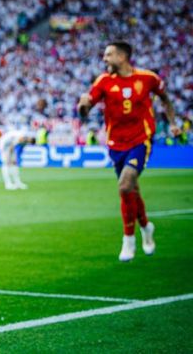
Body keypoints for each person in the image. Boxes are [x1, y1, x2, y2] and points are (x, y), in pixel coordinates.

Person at [77, 41, 181, 262]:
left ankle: (128, 240)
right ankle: (146, 227)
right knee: (131, 190)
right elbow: (87, 108)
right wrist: (83, 106)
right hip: (115, 143)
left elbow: (165, 99)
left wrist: (172, 123)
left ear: (122, 57)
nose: (104, 59)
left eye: (109, 54)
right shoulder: (104, 81)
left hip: (140, 140)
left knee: (125, 185)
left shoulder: (147, 78)